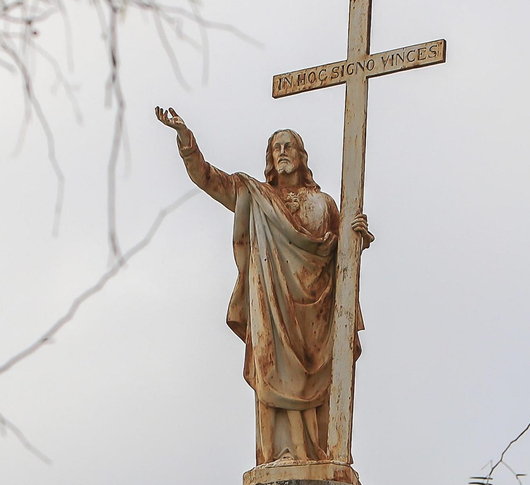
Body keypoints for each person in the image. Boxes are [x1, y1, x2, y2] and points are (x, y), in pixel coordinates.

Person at [155, 106, 372, 465]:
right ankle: (282, 453)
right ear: (270, 158)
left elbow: (342, 256)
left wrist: (357, 237)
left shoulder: (325, 204)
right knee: (272, 369)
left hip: (316, 313)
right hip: (272, 305)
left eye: (289, 147)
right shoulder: (254, 197)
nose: (282, 152)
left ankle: (321, 454)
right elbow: (207, 178)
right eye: (276, 148)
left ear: (302, 158)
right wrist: (185, 140)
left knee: (321, 379)